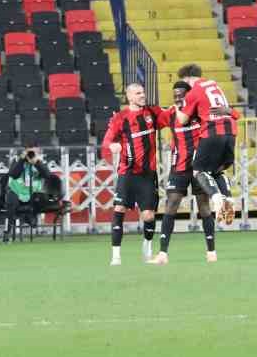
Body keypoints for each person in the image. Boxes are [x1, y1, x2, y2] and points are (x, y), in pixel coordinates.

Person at [170, 63, 238, 228]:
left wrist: (175, 109)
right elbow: (231, 112)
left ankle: (216, 199)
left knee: (199, 170)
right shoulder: (215, 85)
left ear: (187, 78)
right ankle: (228, 197)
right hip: (231, 133)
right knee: (217, 170)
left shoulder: (194, 91)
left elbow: (183, 120)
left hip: (212, 133)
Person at [100, 83, 162, 265]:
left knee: (149, 215)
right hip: (127, 172)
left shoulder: (153, 113)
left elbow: (171, 119)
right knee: (119, 209)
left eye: (143, 92)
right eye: (138, 93)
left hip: (147, 174)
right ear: (129, 97)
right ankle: (116, 256)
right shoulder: (121, 118)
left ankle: (147, 245)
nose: (143, 95)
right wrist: (112, 146)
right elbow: (107, 140)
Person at [153, 80, 212, 260]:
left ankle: (211, 252)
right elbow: (152, 123)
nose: (178, 98)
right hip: (178, 166)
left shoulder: (199, 112)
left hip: (199, 166)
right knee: (171, 204)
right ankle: (163, 253)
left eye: (181, 95)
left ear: (189, 96)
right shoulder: (170, 113)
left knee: (204, 206)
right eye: (175, 96)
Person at [2, 147, 47, 242]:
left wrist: (37, 162)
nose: (30, 154)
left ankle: (30, 217)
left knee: (42, 198)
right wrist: (22, 160)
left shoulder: (39, 162)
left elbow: (47, 175)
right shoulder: (17, 161)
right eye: (29, 152)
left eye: (33, 152)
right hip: (17, 191)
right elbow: (13, 174)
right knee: (10, 202)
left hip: (33, 193)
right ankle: (7, 232)